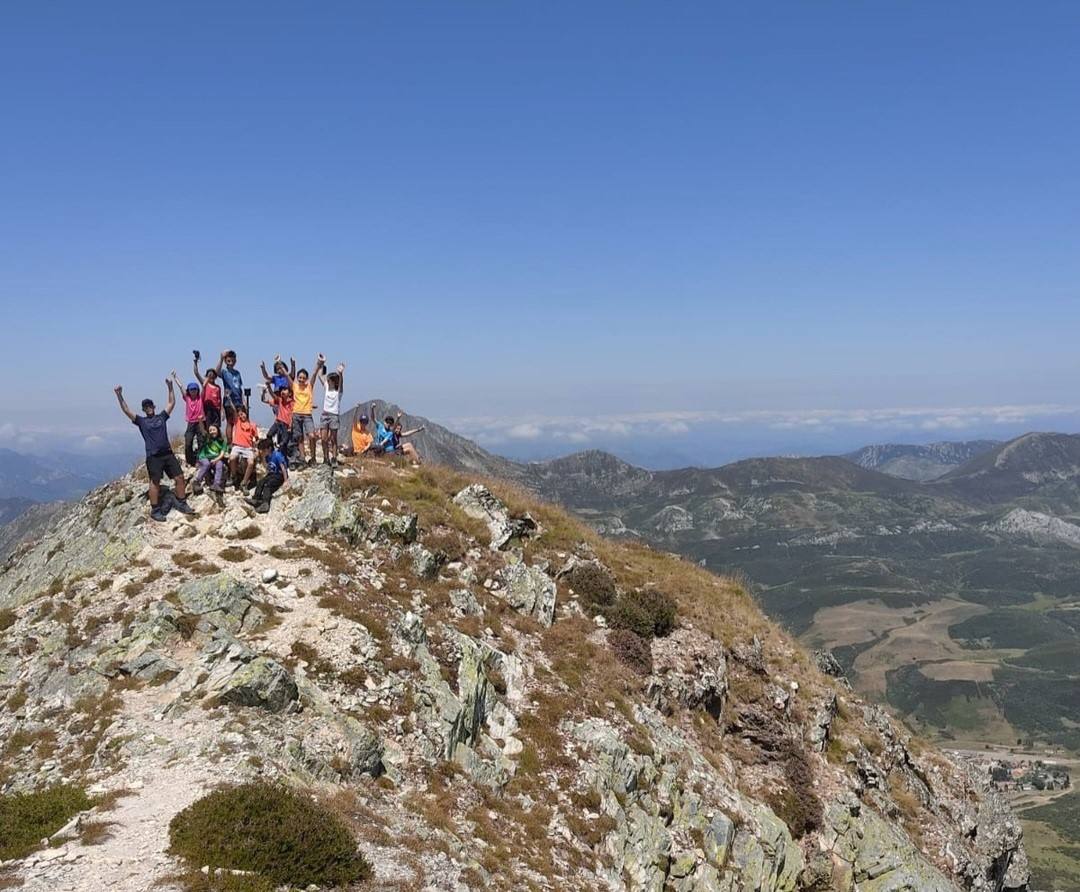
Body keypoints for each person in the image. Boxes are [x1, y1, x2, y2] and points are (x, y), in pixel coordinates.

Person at [114, 381, 194, 522]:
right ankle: (155, 510)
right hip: (153, 457)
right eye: (146, 407)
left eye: (150, 406)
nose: (148, 408)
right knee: (155, 482)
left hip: (168, 453)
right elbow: (127, 410)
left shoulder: (161, 417)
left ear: (154, 407)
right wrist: (119, 395)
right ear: (144, 410)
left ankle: (182, 503)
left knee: (180, 477)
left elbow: (171, 403)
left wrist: (170, 387)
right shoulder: (141, 421)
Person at [290, 354, 323, 466]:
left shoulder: (309, 386)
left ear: (306, 379)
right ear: (297, 378)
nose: (301, 379)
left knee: (312, 436)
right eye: (300, 377)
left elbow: (314, 374)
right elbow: (286, 375)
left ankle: (313, 458)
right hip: (296, 414)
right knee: (299, 438)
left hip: (307, 415)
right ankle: (303, 458)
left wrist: (319, 363)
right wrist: (279, 363)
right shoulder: (294, 386)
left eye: (304, 378)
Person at [171, 370, 206, 467]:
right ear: (189, 391)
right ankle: (190, 461)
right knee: (188, 442)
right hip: (191, 423)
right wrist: (175, 377)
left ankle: (200, 460)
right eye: (191, 389)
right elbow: (181, 387)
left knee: (201, 442)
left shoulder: (200, 398)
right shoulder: (187, 398)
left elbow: (204, 386)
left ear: (197, 390)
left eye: (195, 389)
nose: (193, 391)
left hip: (200, 422)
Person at [247, 437, 289, 513]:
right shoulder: (267, 457)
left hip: (279, 475)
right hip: (272, 474)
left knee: (268, 486)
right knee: (261, 482)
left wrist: (286, 480)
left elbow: (283, 468)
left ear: (269, 448)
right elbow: (267, 467)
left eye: (263, 449)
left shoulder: (277, 455)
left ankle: (265, 504)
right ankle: (256, 499)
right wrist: (262, 458)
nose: (262, 451)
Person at [214, 349, 245, 443]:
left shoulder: (238, 373)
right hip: (229, 400)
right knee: (230, 422)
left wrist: (244, 401)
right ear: (225, 361)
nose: (231, 363)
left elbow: (240, 388)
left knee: (240, 421)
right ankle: (229, 443)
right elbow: (216, 371)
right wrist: (220, 358)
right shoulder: (224, 372)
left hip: (239, 401)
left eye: (232, 360)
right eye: (228, 361)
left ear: (235, 361)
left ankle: (240, 440)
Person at [318, 361, 345, 465]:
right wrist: (321, 363)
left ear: (333, 382)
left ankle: (334, 457)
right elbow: (320, 375)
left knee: (333, 438)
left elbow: (341, 383)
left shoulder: (338, 393)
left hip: (334, 416)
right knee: (324, 439)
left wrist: (341, 374)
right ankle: (325, 458)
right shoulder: (326, 389)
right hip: (325, 415)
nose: (327, 381)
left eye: (329, 380)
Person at [228, 405, 260, 490]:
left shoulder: (252, 425)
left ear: (246, 414)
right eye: (240, 415)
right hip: (237, 446)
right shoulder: (238, 422)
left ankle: (244, 483)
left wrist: (255, 446)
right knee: (232, 458)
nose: (242, 416)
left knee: (251, 463)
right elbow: (234, 410)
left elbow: (256, 438)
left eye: (243, 414)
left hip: (248, 447)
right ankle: (234, 477)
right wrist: (230, 400)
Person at [191, 423, 228, 494]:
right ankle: (197, 481)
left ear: (218, 430)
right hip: (204, 457)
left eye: (214, 430)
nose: (212, 432)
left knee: (220, 464)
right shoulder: (207, 437)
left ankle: (216, 484)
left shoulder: (223, 441)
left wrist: (216, 460)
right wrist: (200, 420)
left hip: (215, 458)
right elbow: (202, 430)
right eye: (210, 430)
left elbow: (222, 453)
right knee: (206, 464)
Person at [261, 381, 294, 455]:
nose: (282, 392)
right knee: (269, 435)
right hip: (278, 422)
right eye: (282, 390)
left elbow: (292, 415)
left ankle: (284, 457)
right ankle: (272, 452)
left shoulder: (292, 403)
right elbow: (265, 399)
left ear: (290, 393)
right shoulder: (279, 400)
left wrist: (290, 426)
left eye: (285, 390)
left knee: (284, 442)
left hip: (286, 425)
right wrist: (267, 389)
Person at [193, 353, 222, 429]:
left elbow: (220, 400)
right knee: (207, 427)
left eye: (213, 376)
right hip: (207, 409)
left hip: (216, 410)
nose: (211, 377)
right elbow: (196, 373)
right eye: (209, 375)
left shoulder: (218, 387)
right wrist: (195, 362)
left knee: (216, 427)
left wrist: (222, 411)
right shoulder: (205, 383)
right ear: (206, 376)